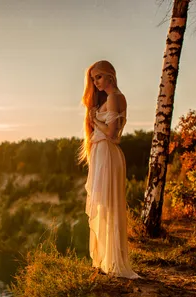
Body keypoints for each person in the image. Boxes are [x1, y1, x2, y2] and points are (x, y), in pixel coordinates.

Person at [80, 60, 140, 279]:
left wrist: (94, 119)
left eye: (98, 77)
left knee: (108, 205)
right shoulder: (112, 98)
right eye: (93, 78)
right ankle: (108, 260)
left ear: (110, 76)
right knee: (106, 205)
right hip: (103, 153)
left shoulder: (114, 97)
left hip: (107, 152)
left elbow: (111, 133)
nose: (95, 83)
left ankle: (112, 261)